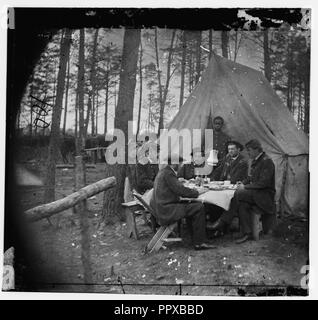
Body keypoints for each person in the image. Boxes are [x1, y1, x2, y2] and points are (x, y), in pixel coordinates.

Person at [210, 139, 276, 244]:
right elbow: (250, 177)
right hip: (256, 193)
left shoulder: (266, 161)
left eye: (249, 151)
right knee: (242, 204)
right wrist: (242, 183)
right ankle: (247, 233)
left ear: (256, 150)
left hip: (265, 195)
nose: (248, 153)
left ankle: (223, 221)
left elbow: (264, 183)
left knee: (238, 194)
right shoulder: (256, 160)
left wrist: (245, 187)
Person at [150, 154, 216, 250]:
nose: (181, 165)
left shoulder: (164, 172)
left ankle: (194, 237)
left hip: (162, 207)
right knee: (198, 207)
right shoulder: (169, 173)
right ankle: (199, 242)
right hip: (167, 210)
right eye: (180, 163)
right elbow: (181, 191)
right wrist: (198, 192)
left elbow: (176, 188)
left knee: (192, 205)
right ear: (174, 163)